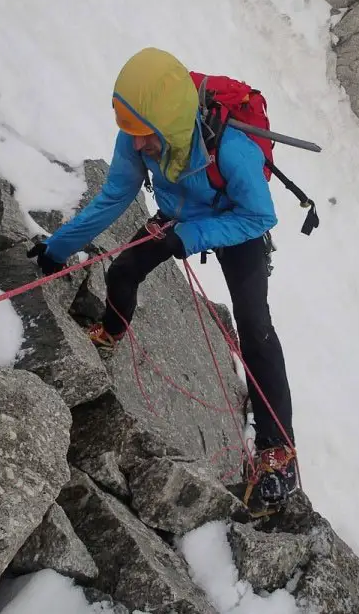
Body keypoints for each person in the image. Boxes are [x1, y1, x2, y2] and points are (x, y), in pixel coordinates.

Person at [28, 47, 297, 505]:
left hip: (237, 226)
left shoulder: (232, 149)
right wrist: (56, 251)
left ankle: (279, 450)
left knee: (256, 329)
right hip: (179, 217)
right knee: (125, 269)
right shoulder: (137, 133)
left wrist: (188, 236)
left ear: (169, 121)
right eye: (128, 133)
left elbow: (259, 216)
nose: (134, 144)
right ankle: (109, 334)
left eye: (142, 134)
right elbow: (112, 198)